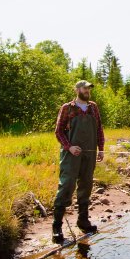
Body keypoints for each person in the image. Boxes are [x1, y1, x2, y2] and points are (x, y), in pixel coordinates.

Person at [52, 80, 104, 243]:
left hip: (89, 154)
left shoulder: (93, 107)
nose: (87, 90)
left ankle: (83, 221)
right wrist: (69, 147)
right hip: (71, 154)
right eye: (84, 88)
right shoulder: (67, 108)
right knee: (67, 186)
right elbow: (58, 131)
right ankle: (57, 228)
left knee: (86, 185)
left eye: (89, 88)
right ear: (77, 90)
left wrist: (101, 148)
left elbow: (99, 129)